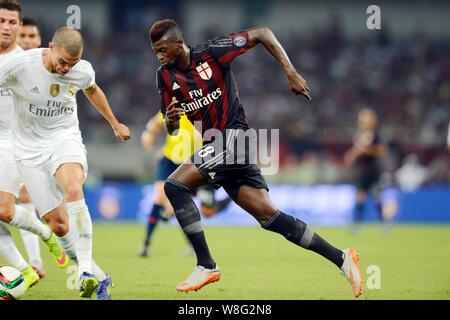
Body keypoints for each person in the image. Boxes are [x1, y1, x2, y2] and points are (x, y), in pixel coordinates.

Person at [149, 19, 362, 297]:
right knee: (269, 217)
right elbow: (171, 124)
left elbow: (263, 33)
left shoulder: (212, 53)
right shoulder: (164, 76)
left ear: (179, 43)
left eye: (163, 49)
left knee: (174, 186)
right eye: (155, 51)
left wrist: (291, 73)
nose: (160, 55)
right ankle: (342, 259)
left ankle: (206, 265)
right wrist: (171, 122)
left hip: (234, 139)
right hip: (217, 146)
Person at [0, 25, 131, 299]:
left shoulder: (81, 69)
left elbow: (92, 89)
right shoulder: (19, 66)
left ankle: (84, 272)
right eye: (62, 62)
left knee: (73, 188)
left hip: (63, 137)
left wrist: (115, 123)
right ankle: (98, 275)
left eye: (71, 64)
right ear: (50, 47)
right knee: (59, 225)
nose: (65, 69)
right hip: (28, 151)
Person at [0, 0, 59, 289]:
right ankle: (25, 270)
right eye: (2, 21)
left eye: (12, 22)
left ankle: (43, 235)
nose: (7, 28)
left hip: (13, 141)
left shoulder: (29, 62)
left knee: (4, 209)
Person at [139, 112, 232, 257]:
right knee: (159, 198)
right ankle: (146, 243)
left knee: (207, 211)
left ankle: (229, 199)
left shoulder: (203, 110)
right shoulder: (174, 107)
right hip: (170, 159)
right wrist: (149, 133)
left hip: (194, 163)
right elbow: (155, 124)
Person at [15, 16, 46, 279]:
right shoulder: (6, 66)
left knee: (25, 197)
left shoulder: (47, 67)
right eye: (22, 36)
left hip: (31, 145)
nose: (26, 41)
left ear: (39, 40)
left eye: (31, 37)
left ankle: (34, 263)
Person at [344, 108, 387, 231]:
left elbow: (382, 150)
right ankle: (357, 224)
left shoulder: (376, 134)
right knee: (360, 196)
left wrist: (365, 150)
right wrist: (351, 157)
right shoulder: (359, 135)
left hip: (373, 170)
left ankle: (382, 223)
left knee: (376, 196)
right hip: (362, 170)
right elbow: (356, 151)